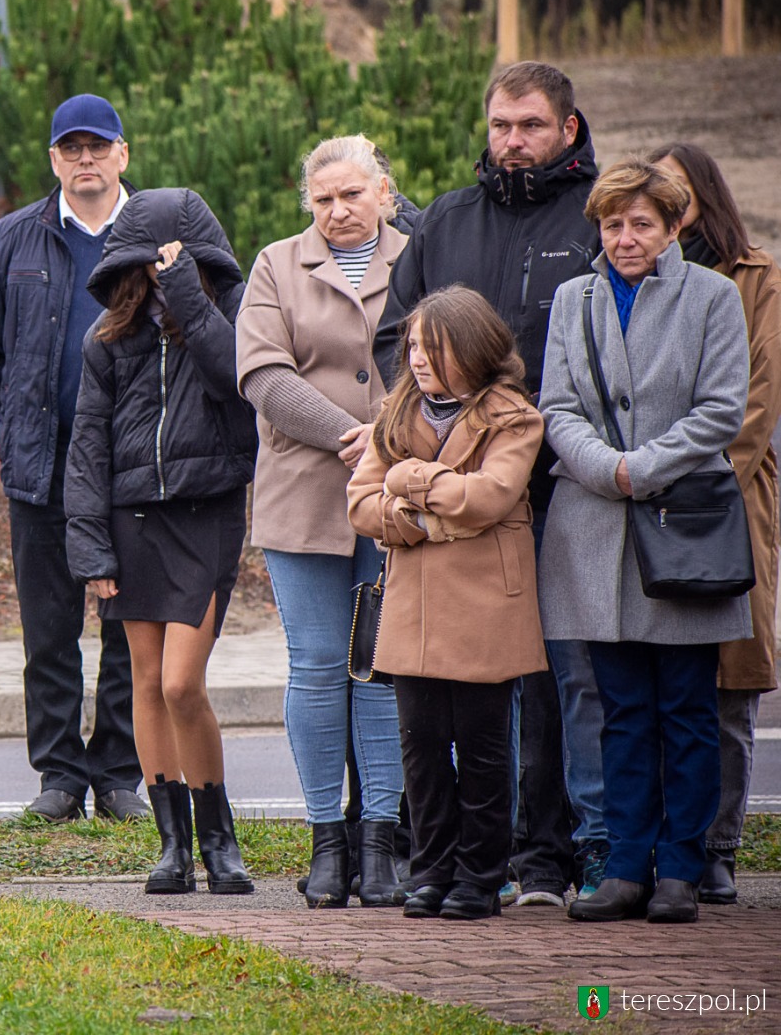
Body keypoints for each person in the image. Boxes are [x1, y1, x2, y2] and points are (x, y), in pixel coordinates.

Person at [373, 60, 605, 908]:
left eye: (531, 125)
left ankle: (551, 854)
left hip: (561, 483)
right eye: (501, 125)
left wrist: (518, 433)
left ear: (568, 129)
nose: (513, 141)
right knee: (456, 705)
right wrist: (431, 444)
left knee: (555, 679)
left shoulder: (596, 220)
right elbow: (396, 337)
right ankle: (475, 861)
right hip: (449, 488)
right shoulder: (447, 220)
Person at [540, 158, 752, 924]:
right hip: (597, 524)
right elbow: (556, 407)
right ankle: (626, 865)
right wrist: (609, 470)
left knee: (687, 709)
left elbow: (722, 409)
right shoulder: (575, 299)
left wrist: (644, 467)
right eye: (612, 224)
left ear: (672, 227)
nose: (624, 238)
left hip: (683, 524)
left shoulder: (713, 297)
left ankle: (681, 869)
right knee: (620, 708)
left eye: (640, 224)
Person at [64, 187, 257, 894]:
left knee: (182, 683)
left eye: (170, 260)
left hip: (206, 517)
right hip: (131, 523)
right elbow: (87, 446)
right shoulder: (107, 336)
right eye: (147, 262)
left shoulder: (229, 316)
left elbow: (234, 380)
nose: (156, 272)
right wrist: (90, 548)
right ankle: (173, 846)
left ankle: (220, 841)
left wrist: (187, 297)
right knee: (145, 683)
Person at [0, 94, 146, 824]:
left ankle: (121, 775)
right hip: (43, 464)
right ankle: (61, 775)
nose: (85, 159)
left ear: (122, 154)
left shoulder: (156, 232)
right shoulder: (11, 239)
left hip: (133, 468)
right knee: (49, 630)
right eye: (71, 148)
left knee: (129, 628)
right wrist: (23, 419)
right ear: (54, 160)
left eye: (98, 146)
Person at [238, 135, 408, 908]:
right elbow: (264, 375)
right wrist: (355, 434)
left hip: (397, 496)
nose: (337, 211)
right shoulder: (276, 265)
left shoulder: (419, 258)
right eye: (323, 199)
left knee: (377, 668)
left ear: (384, 193)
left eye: (352, 195)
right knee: (315, 664)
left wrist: (391, 439)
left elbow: (446, 359)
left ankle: (381, 844)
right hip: (304, 494)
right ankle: (326, 844)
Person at [348, 286, 549, 921]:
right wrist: (424, 521)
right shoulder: (397, 410)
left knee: (484, 749)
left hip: (487, 604)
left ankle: (481, 878)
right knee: (423, 748)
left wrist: (407, 478)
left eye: (432, 348)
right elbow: (361, 504)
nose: (417, 359)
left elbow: (490, 497)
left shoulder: (514, 415)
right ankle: (431, 872)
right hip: (414, 604)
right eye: (412, 346)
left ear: (473, 349)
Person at [651, 142, 781, 905]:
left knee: (730, 685)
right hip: (651, 500)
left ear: (704, 192)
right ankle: (658, 843)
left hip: (728, 499)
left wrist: (689, 478)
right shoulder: (637, 274)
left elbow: (756, 400)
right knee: (658, 685)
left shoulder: (756, 277)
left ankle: (718, 845)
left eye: (678, 187)